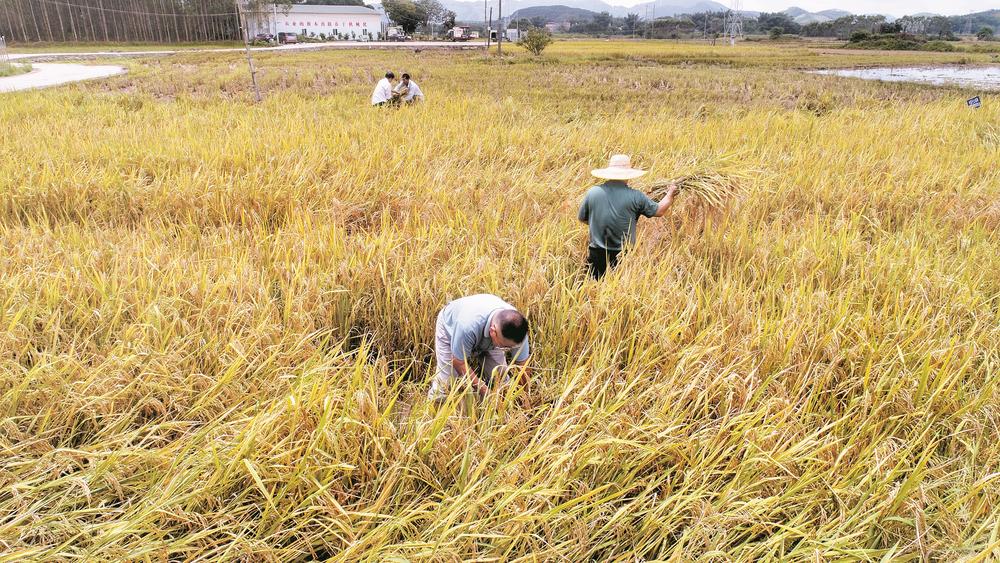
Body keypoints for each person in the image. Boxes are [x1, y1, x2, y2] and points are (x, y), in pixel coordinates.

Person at [578, 154, 679, 280]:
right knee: (619, 291)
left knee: (593, 288)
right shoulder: (636, 196)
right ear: (627, 175)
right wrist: (670, 194)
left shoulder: (593, 192)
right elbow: (659, 210)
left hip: (596, 253)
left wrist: (599, 223)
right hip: (623, 256)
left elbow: (582, 218)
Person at [428, 294, 531, 402]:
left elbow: (522, 365)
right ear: (493, 332)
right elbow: (459, 362)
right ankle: (434, 408)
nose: (507, 350)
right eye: (505, 347)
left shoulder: (518, 328)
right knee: (445, 385)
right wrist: (486, 392)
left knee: (500, 379)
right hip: (450, 328)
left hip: (488, 334)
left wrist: (524, 398)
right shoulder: (466, 327)